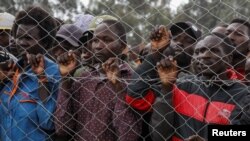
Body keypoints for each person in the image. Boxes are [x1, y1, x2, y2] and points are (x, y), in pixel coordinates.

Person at [126, 25, 250, 140]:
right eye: (198, 52)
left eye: (213, 50)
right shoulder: (181, 85)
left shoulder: (242, 94)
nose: (203, 56)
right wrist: (155, 55)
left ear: (228, 59)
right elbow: (135, 97)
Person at [55, 19, 141, 141]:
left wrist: (118, 87)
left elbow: (129, 135)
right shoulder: (84, 78)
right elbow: (62, 128)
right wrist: (65, 79)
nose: (98, 46)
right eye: (95, 40)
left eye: (107, 40)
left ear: (122, 46)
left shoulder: (132, 79)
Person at [0, 6, 61, 141]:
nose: (21, 42)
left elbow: (49, 123)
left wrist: (42, 80)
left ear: (45, 42)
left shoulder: (55, 73)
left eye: (28, 38)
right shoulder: (10, 70)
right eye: (19, 37)